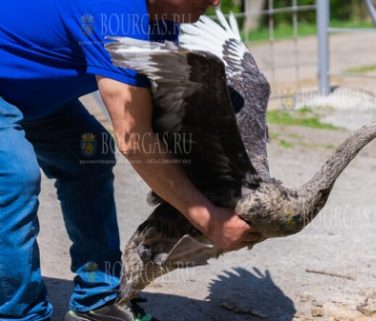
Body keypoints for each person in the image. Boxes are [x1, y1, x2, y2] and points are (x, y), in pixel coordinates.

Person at [0, 1, 261, 320]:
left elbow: (159, 123)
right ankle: (18, 314)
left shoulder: (162, 23)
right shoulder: (115, 12)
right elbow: (135, 139)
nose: (217, 0)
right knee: (15, 177)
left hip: (30, 92)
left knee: (89, 156)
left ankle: (97, 299)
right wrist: (208, 218)